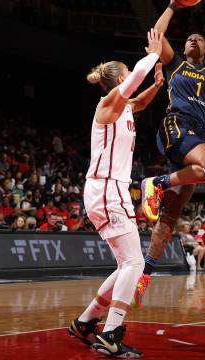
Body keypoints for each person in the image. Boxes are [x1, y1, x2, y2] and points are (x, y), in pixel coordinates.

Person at [134, 0, 205, 306]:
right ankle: (157, 182)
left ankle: (145, 272)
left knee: (170, 216)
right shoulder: (177, 62)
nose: (192, 39)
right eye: (189, 38)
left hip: (194, 139)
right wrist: (173, 6)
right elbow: (156, 38)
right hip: (176, 125)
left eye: (199, 39)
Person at [67, 29, 165, 359]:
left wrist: (157, 85)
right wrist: (152, 54)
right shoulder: (108, 104)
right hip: (108, 189)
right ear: (120, 79)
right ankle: (111, 333)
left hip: (108, 190)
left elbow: (140, 99)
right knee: (134, 263)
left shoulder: (123, 106)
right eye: (127, 77)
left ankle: (84, 322)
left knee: (127, 262)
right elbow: (136, 78)